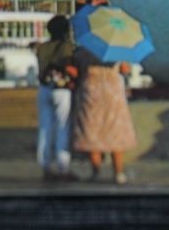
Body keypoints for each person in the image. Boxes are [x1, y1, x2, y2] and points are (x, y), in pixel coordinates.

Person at [70, 46, 138, 184]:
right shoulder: (117, 50)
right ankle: (118, 173)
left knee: (92, 131)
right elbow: (125, 69)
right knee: (115, 131)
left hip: (91, 91)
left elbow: (74, 71)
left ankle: (96, 172)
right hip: (113, 92)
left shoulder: (82, 51)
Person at [33, 15, 77, 181]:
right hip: (62, 90)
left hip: (44, 88)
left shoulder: (42, 47)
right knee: (62, 127)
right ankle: (63, 167)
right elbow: (69, 68)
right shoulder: (66, 47)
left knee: (45, 128)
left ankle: (45, 166)